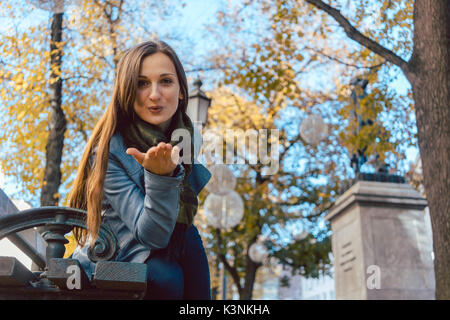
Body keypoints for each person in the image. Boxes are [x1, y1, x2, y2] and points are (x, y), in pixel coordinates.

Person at [68, 40, 212, 300]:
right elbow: (152, 236)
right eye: (142, 83)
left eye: (165, 81)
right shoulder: (109, 150)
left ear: (181, 90)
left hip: (161, 249)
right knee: (168, 278)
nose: (155, 94)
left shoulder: (185, 141)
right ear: (126, 91)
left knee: (188, 237)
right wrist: (160, 176)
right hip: (116, 255)